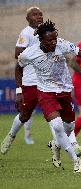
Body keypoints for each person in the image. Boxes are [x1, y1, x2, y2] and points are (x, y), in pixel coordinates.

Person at [16, 20, 81, 173]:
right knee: (57, 126)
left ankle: (56, 144)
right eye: (49, 40)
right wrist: (19, 91)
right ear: (41, 40)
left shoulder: (62, 44)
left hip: (64, 92)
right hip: (45, 93)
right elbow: (18, 67)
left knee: (68, 127)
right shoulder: (29, 53)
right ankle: (76, 161)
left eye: (55, 38)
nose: (53, 42)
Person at [1, 7, 43, 149]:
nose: (38, 16)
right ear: (27, 18)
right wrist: (19, 90)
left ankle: (67, 145)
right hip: (30, 81)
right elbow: (17, 54)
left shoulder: (46, 32)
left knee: (56, 114)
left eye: (40, 14)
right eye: (34, 14)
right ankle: (12, 135)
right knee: (25, 114)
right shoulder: (26, 33)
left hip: (46, 81)